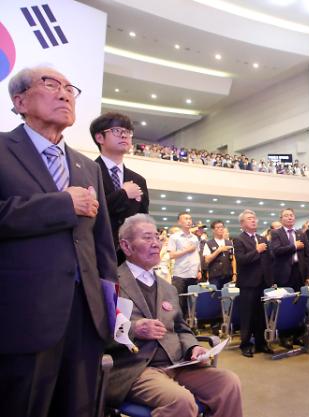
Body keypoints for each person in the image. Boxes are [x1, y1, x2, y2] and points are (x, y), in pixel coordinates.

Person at [0, 66, 118, 416]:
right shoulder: (2, 150)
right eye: (51, 84)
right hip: (23, 316)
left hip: (85, 317)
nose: (65, 93)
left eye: (70, 88)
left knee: (78, 407)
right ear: (19, 101)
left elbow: (102, 244)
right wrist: (62, 203)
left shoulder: (86, 166)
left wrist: (108, 307)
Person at [105, 214, 243, 417]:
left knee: (228, 383)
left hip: (178, 364)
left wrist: (193, 347)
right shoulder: (110, 285)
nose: (155, 243)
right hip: (137, 369)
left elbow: (181, 328)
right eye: (147, 238)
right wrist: (135, 329)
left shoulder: (167, 287)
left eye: (156, 237)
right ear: (126, 246)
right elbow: (97, 332)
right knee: (180, 401)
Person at [90, 112, 149, 265]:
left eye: (128, 132)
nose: (124, 136)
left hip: (130, 259)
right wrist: (123, 194)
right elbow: (91, 212)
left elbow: (142, 219)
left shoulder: (138, 180)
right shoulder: (87, 172)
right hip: (96, 255)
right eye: (117, 131)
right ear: (99, 137)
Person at [233, 210, 274, 358]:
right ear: (242, 223)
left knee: (261, 315)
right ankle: (245, 344)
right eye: (249, 219)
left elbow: (269, 260)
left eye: (254, 218)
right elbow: (241, 260)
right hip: (248, 283)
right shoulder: (239, 239)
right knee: (247, 315)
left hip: (263, 282)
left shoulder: (262, 238)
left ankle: (261, 343)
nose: (254, 221)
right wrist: (256, 250)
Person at [168, 212, 202, 316]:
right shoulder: (174, 237)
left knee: (192, 302)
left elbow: (197, 254)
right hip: (180, 275)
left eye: (190, 219)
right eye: (186, 219)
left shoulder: (195, 238)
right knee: (179, 303)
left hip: (193, 274)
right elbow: (172, 255)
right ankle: (178, 327)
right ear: (179, 222)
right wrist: (187, 250)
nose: (189, 221)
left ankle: (190, 326)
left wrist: (199, 270)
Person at [269, 208, 308, 291]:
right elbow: (276, 250)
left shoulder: (301, 233)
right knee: (285, 300)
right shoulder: (276, 233)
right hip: (283, 273)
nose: (290, 218)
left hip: (299, 272)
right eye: (286, 216)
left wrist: (308, 275)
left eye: (291, 215)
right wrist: (294, 246)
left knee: (300, 299)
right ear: (281, 219)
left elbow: (307, 255)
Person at [204, 220, 235, 289]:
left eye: (222, 227)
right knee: (215, 297)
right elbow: (207, 260)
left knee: (228, 296)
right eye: (218, 227)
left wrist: (235, 273)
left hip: (228, 275)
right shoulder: (208, 243)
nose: (221, 229)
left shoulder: (229, 243)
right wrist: (218, 250)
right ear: (213, 230)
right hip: (215, 276)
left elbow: (233, 259)